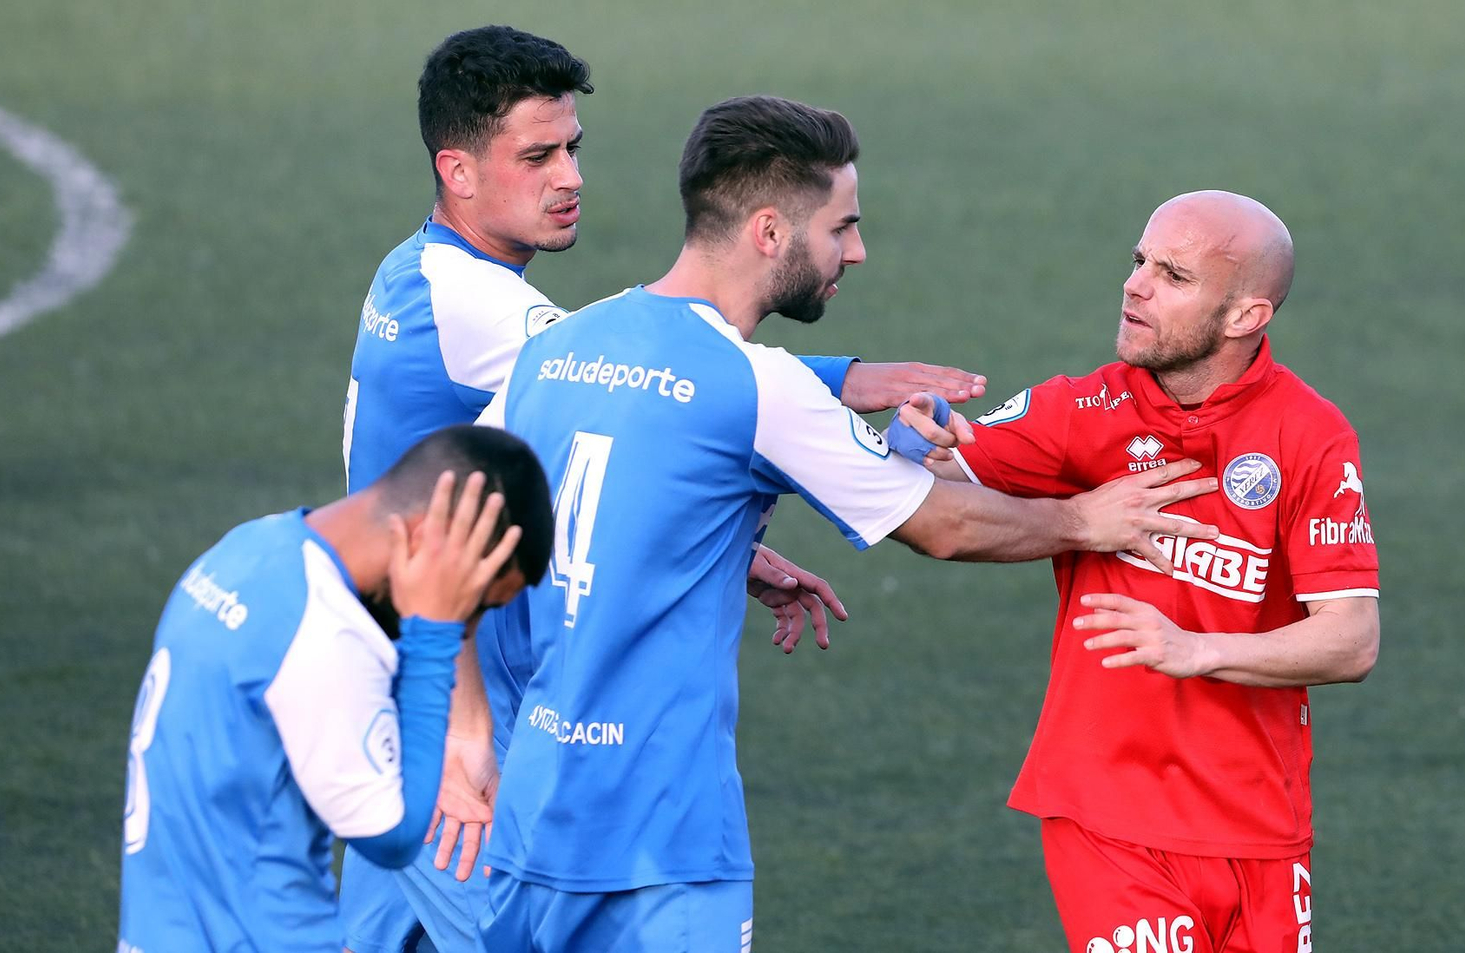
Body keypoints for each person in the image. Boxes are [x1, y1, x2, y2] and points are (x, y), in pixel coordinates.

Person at [472, 94, 1221, 952]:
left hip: (529, 820)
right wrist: (1086, 518)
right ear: (767, 232)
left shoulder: (560, 347)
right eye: (841, 226)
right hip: (661, 839)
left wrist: (723, 548)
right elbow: (942, 525)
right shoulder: (758, 384)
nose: (856, 251)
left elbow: (497, 521)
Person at [339, 25, 995, 953]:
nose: (569, 176)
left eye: (573, 147)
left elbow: (617, 438)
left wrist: (740, 543)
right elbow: (647, 385)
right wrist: (842, 377)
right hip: (442, 698)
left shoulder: (414, 273)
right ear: (458, 169)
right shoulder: (485, 309)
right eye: (537, 156)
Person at [926, 191, 1380, 952]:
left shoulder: (1310, 434)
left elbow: (1352, 640)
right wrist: (919, 444)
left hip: (1261, 825)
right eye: (1139, 262)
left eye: (1174, 275)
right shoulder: (1081, 411)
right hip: (1109, 816)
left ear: (1245, 317)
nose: (1135, 285)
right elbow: (932, 491)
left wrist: (1196, 649)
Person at [117, 425, 554, 953]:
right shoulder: (327, 632)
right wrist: (432, 638)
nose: (467, 627)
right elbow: (393, 835)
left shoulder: (249, 549)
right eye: (476, 603)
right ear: (425, 538)